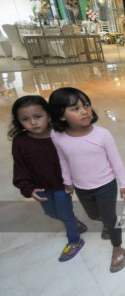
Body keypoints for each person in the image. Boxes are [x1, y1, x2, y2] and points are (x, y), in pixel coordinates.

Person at [48, 87, 125, 273]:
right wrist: (67, 180)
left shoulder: (102, 134)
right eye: (75, 109)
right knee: (93, 215)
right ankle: (106, 224)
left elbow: (116, 161)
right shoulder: (57, 136)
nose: (84, 111)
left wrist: (123, 184)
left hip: (106, 185)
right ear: (61, 116)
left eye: (86, 105)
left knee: (110, 217)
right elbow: (63, 159)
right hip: (81, 186)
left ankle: (118, 247)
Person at [8, 95, 86, 262]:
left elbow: (76, 157)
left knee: (64, 214)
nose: (33, 122)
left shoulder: (61, 135)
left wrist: (73, 180)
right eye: (25, 119)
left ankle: (74, 240)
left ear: (49, 115)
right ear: (18, 121)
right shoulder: (20, 142)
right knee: (51, 213)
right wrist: (27, 188)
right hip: (40, 187)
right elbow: (19, 167)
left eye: (37, 117)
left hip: (61, 185)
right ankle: (75, 222)